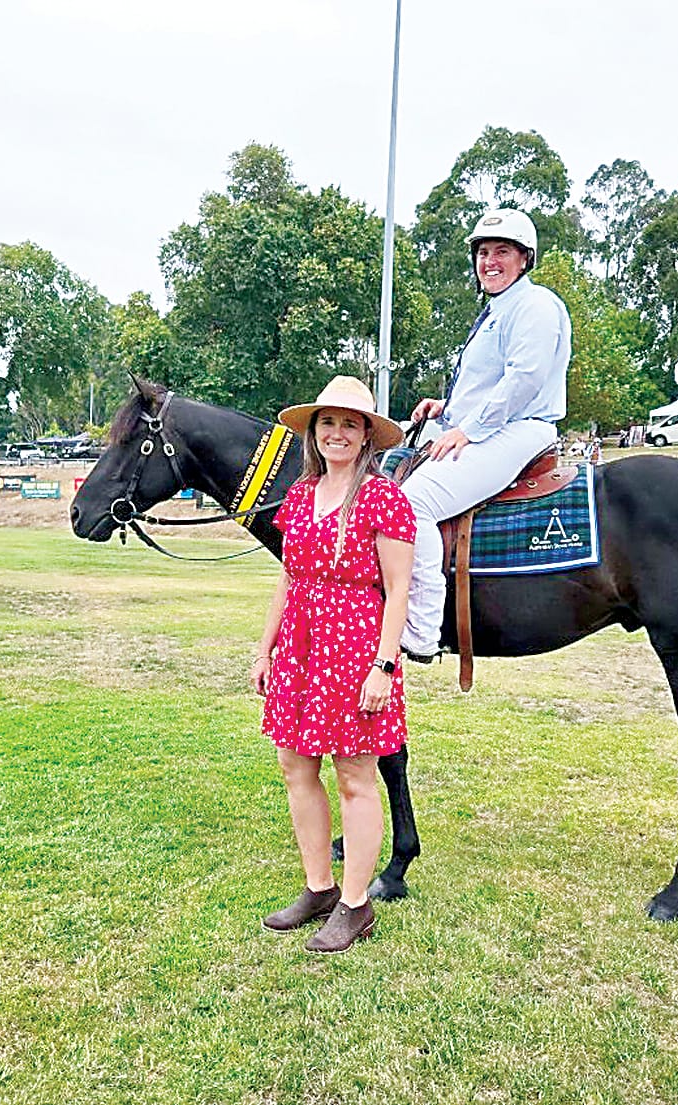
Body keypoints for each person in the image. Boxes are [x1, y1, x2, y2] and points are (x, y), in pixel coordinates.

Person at [252, 375, 415, 954]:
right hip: (299, 650)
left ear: (367, 435)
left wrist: (383, 666)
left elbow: (398, 590)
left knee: (354, 776)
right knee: (295, 766)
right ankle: (319, 888)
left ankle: (355, 903)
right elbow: (288, 577)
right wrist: (266, 647)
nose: (337, 433)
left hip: (354, 651)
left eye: (350, 423)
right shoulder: (300, 496)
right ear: (314, 432)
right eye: (328, 422)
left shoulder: (383, 498)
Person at [398, 208, 571, 658]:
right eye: (483, 253)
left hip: (518, 431)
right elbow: (488, 383)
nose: (490, 262)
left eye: (502, 252)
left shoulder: (534, 305)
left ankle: (421, 629)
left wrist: (468, 429)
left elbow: (524, 379)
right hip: (491, 426)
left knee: (412, 504)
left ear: (525, 258)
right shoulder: (498, 310)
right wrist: (448, 409)